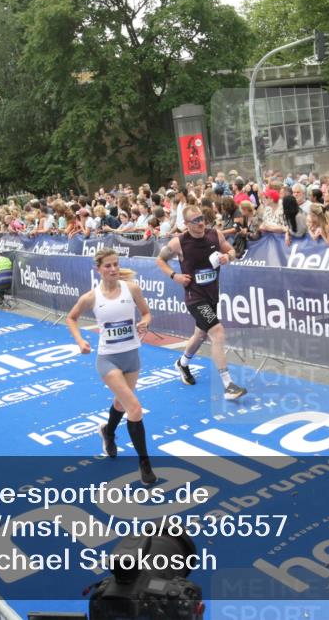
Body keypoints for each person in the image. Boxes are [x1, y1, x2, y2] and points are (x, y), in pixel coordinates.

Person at [67, 249, 156, 485]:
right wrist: (80, 340)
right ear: (98, 269)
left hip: (132, 357)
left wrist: (144, 323)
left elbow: (147, 313)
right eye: (108, 266)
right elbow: (71, 317)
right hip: (108, 359)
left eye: (116, 264)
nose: (113, 269)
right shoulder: (91, 297)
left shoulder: (132, 289)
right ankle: (145, 463)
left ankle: (108, 431)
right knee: (134, 408)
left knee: (121, 403)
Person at [156, 204, 247, 401]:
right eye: (196, 220)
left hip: (212, 294)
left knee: (200, 333)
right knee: (217, 331)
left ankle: (183, 363)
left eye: (202, 218)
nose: (201, 223)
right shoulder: (178, 242)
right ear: (186, 224)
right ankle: (228, 384)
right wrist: (175, 276)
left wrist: (227, 257)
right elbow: (160, 260)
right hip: (194, 297)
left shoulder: (215, 235)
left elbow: (232, 251)